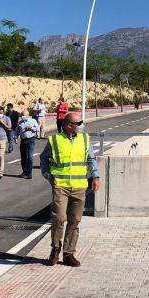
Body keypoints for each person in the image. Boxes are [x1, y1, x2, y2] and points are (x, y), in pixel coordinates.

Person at [40, 112, 100, 267]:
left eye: (80, 123)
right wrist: (48, 175)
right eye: (77, 123)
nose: (81, 126)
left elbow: (91, 159)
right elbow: (43, 159)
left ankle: (68, 254)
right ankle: (55, 249)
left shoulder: (85, 139)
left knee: (75, 220)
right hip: (61, 186)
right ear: (68, 125)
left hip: (79, 186)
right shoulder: (55, 140)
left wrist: (95, 177)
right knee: (59, 218)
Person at [16, 110, 39, 179]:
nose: (22, 117)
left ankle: (29, 173)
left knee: (30, 157)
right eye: (21, 115)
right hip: (23, 140)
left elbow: (37, 128)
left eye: (23, 115)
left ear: (28, 115)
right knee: (23, 157)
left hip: (30, 140)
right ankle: (24, 172)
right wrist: (15, 137)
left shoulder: (33, 121)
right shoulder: (20, 122)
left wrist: (31, 128)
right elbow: (17, 130)